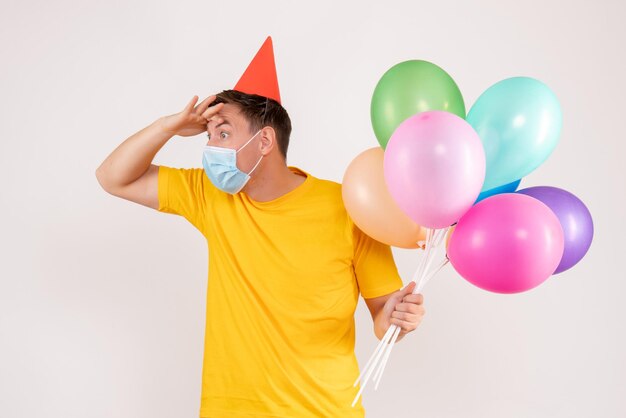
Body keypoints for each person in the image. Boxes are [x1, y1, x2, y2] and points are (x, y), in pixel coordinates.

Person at [95, 36, 426, 418]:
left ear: (264, 140)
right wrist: (167, 127)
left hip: (322, 411)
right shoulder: (209, 195)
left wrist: (399, 319)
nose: (210, 149)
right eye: (209, 136)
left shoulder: (347, 206)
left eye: (222, 133)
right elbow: (113, 177)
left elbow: (384, 318)